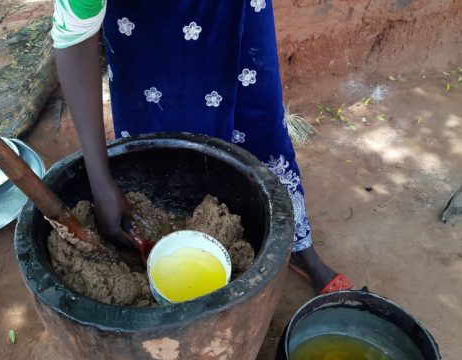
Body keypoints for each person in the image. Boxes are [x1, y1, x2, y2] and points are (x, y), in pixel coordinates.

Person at [51, 0, 352, 294]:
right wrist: (101, 184)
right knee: (162, 135)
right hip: (148, 30)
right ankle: (164, 241)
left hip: (235, 10)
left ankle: (297, 244)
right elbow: (73, 37)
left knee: (259, 120)